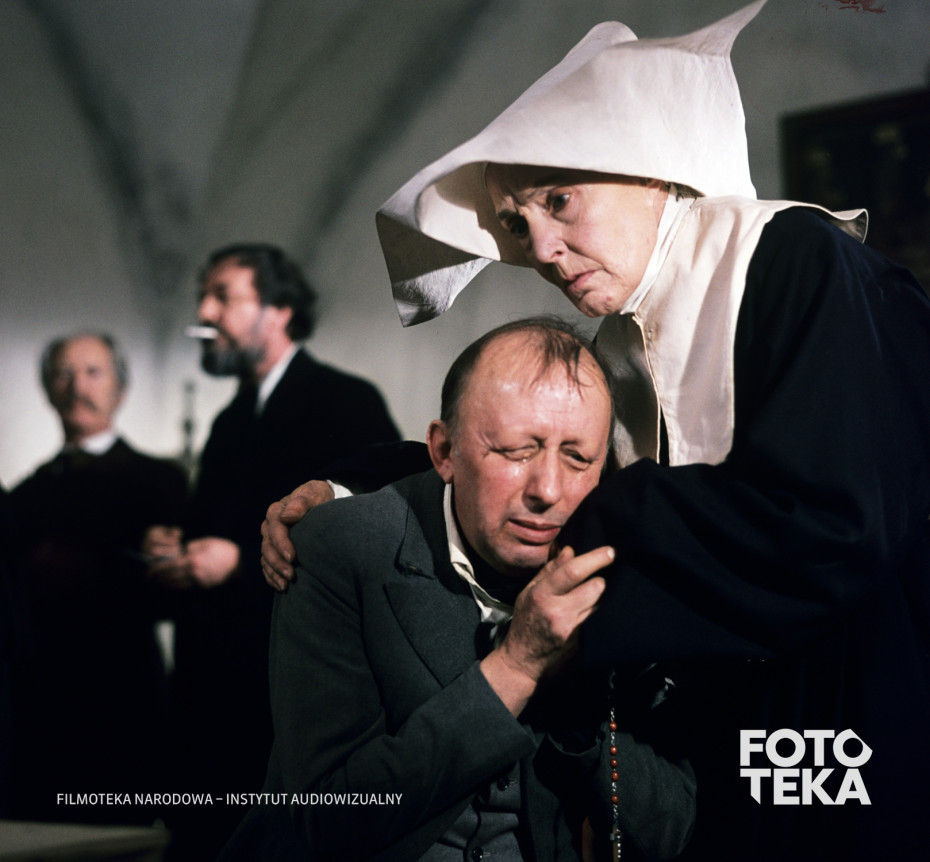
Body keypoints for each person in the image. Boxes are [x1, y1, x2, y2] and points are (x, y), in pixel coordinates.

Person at [262, 3, 930, 861]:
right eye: (516, 224)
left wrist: (615, 522)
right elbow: (539, 458)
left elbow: (836, 519)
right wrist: (351, 486)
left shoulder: (794, 258)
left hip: (837, 704)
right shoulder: (623, 332)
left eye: (559, 201)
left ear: (652, 173)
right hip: (714, 726)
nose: (542, 248)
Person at [244, 318, 694, 862]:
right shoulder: (338, 548)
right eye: (516, 451)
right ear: (443, 451)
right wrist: (517, 668)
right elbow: (327, 820)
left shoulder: (619, 576)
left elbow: (668, 831)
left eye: (578, 458)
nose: (548, 491)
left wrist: (583, 725)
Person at [144, 242, 402, 861]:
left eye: (222, 297)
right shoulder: (229, 422)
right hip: (216, 703)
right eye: (203, 297)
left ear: (280, 309)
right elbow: (216, 527)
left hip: (292, 702)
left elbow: (377, 538)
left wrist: (235, 561)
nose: (204, 312)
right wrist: (181, 547)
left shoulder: (346, 402)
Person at [11, 333, 188, 824]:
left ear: (120, 390)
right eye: (64, 374)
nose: (78, 387)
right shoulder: (24, 496)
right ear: (48, 389)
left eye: (93, 372)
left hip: (124, 700)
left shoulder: (160, 480)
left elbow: (174, 594)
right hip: (42, 705)